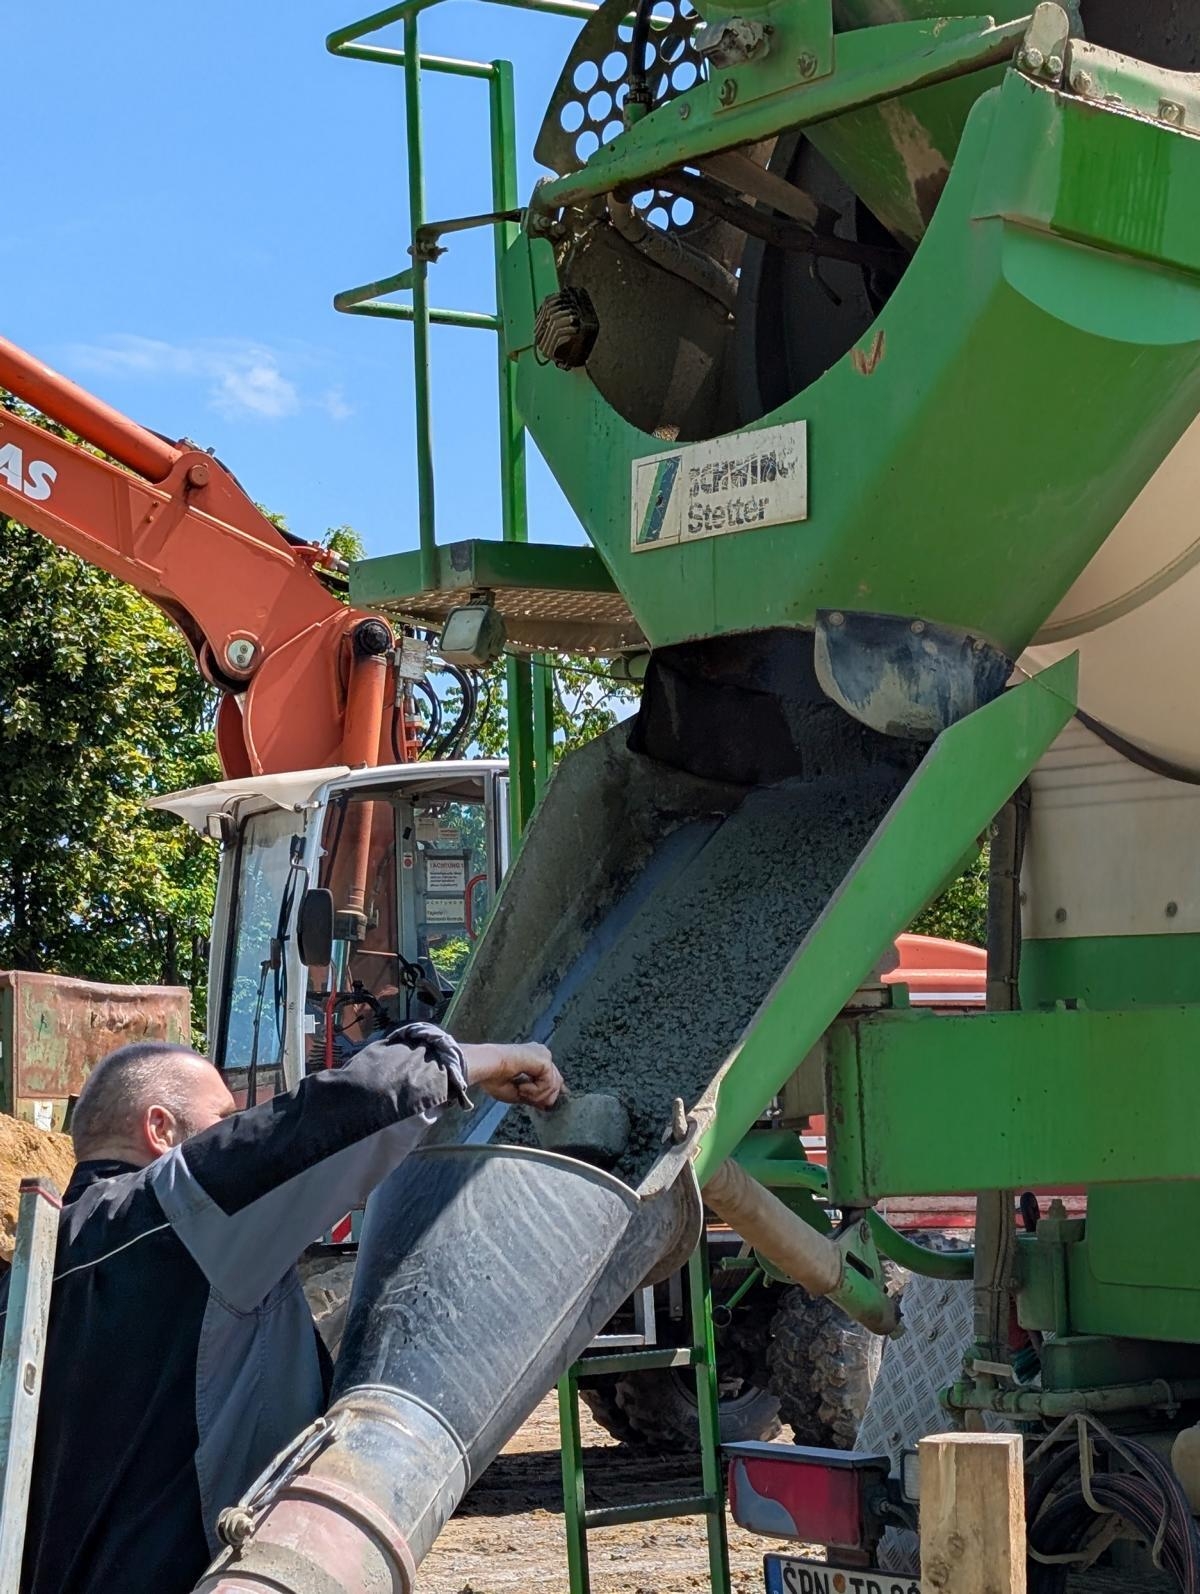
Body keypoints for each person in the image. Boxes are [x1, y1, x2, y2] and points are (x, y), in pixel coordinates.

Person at [0, 1023, 560, 1594]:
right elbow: (349, 1104)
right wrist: (501, 1056)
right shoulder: (175, 1210)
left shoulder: (24, 1282)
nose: (234, 1131)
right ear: (160, 1129)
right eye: (222, 1119)